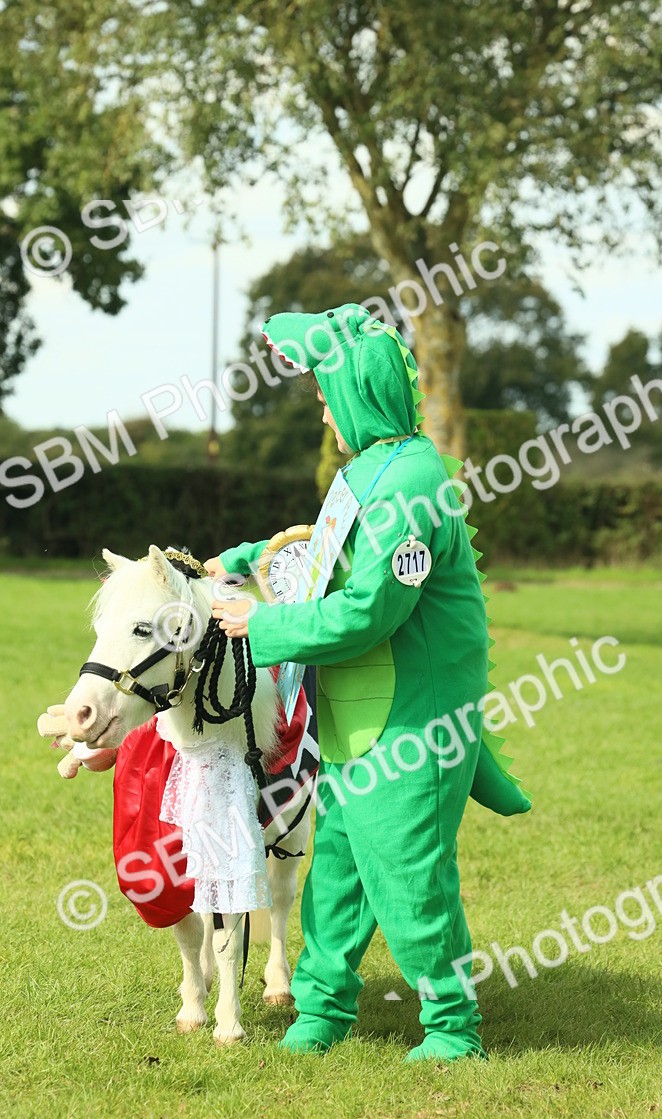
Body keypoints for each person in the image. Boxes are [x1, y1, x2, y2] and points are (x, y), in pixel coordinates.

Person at [204, 303, 530, 1062]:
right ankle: (322, 1007)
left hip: (412, 722)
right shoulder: (367, 468)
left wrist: (263, 627)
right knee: (339, 874)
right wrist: (248, 558)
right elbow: (321, 556)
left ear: (358, 390)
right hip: (356, 720)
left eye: (327, 392)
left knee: (410, 877)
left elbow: (370, 609)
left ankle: (452, 1026)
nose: (322, 408)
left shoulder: (410, 482)